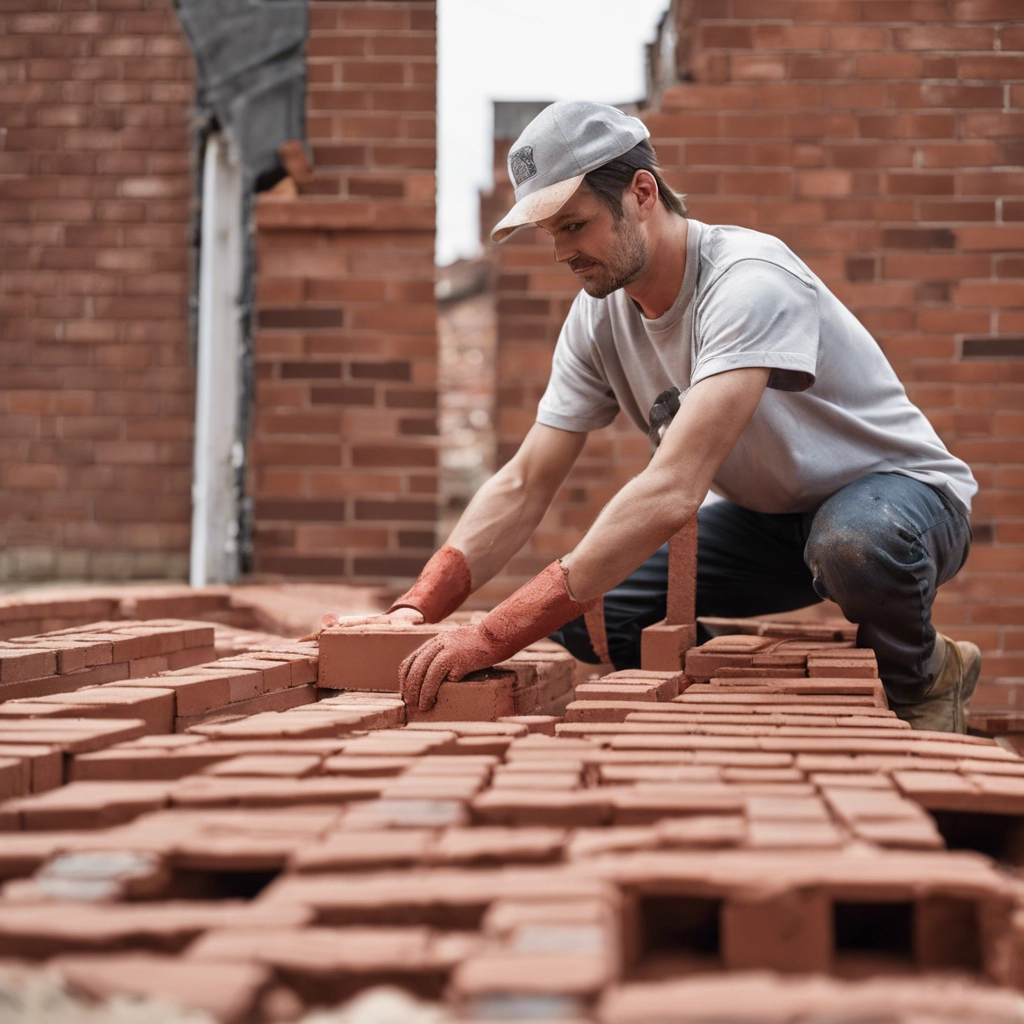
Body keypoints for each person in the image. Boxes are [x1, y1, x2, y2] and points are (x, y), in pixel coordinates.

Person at [327, 101, 979, 733]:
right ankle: (736, 694)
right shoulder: (598, 317)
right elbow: (527, 481)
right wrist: (421, 607)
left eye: (574, 225)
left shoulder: (747, 282)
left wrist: (494, 632)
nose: (561, 252)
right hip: (773, 524)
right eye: (551, 234)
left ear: (642, 192)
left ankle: (925, 675)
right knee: (592, 615)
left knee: (851, 544)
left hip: (903, 503)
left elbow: (673, 488)